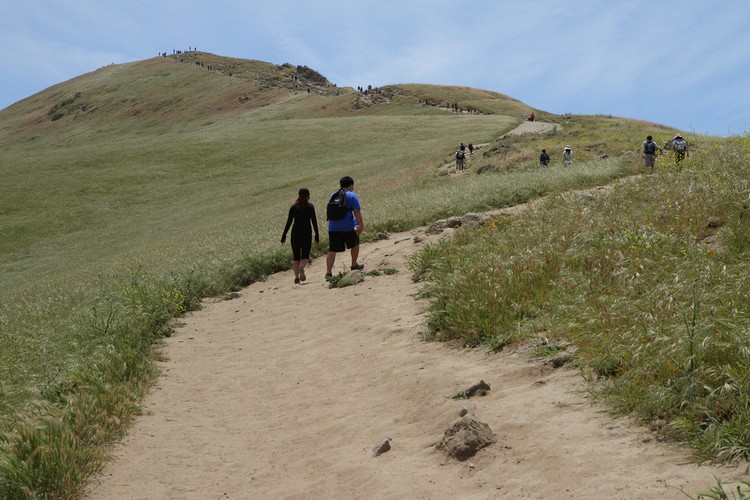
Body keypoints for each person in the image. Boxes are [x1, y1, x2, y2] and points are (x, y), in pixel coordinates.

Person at [325, 176, 364, 279]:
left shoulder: (333, 195)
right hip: (347, 226)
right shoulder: (352, 195)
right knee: (355, 244)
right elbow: (356, 212)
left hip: (333, 227)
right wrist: (361, 225)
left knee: (332, 250)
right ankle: (354, 265)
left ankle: (328, 273)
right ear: (350, 185)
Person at [281, 188, 320, 284]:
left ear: (298, 195)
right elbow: (314, 222)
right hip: (306, 234)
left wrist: (284, 235)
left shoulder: (294, 207)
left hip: (295, 234)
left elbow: (289, 222)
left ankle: (296, 278)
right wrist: (317, 235)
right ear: (308, 196)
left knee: (296, 257)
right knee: (305, 256)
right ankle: (301, 268)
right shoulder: (310, 207)